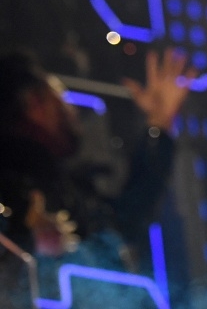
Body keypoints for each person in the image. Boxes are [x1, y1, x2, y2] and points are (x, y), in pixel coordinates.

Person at [0, 48, 195, 304]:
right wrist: (28, 236)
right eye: (59, 95)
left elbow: (118, 224)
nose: (72, 108)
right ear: (35, 104)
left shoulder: (59, 186)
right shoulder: (22, 188)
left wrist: (159, 127)